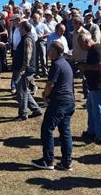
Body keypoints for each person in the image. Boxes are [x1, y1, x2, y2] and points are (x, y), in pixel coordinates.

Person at [31, 41, 75, 171]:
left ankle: (48, 160)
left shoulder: (57, 64)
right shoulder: (66, 64)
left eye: (49, 49)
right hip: (69, 102)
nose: (48, 52)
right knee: (65, 132)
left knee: (47, 129)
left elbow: (50, 84)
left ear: (55, 51)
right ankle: (67, 162)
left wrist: (44, 95)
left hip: (59, 102)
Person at [78, 33, 101, 145]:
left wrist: (85, 67)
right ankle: (91, 131)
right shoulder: (93, 49)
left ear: (87, 42)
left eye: (81, 45)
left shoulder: (96, 49)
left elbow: (100, 65)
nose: (81, 48)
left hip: (98, 84)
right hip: (94, 84)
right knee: (91, 108)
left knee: (98, 110)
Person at [14, 21, 42, 120]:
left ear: (24, 28)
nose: (18, 29)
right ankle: (36, 110)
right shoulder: (26, 38)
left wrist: (23, 68)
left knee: (22, 92)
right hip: (25, 69)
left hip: (26, 69)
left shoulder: (27, 39)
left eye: (20, 27)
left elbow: (27, 55)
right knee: (25, 90)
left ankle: (23, 114)